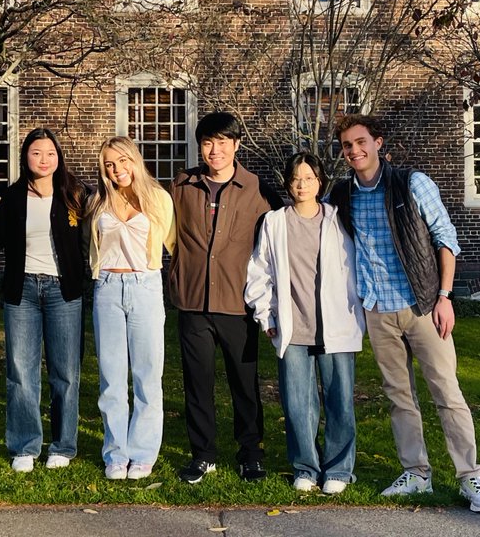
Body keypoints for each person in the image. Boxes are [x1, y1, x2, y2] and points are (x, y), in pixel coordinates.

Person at [329, 114, 480, 514]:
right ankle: (416, 473)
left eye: (361, 142)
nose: (355, 151)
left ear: (378, 143)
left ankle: (470, 475)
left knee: (447, 391)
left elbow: (445, 237)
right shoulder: (342, 194)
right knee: (399, 396)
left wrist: (444, 296)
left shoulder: (411, 183)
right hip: (377, 311)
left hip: (422, 305)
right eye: (347, 146)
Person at [169, 111, 282, 485]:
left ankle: (251, 453)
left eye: (222, 142)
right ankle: (203, 454)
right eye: (207, 142)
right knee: (197, 383)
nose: (214, 150)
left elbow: (283, 235)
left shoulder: (258, 189)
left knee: (244, 383)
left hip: (238, 303)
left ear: (236, 144)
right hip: (193, 301)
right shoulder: (182, 184)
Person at [244, 152, 364, 494]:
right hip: (293, 327)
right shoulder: (275, 222)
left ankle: (339, 470)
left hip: (336, 324)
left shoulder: (338, 219)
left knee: (340, 400)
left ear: (320, 181)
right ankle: (305, 467)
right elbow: (259, 271)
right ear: (287, 183)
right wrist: (265, 313)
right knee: (298, 402)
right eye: (296, 179)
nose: (302, 185)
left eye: (309, 178)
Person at [0, 128, 90, 473]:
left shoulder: (75, 194)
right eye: (36, 153)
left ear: (58, 157)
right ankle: (25, 445)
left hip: (64, 292)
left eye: (49, 153)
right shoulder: (14, 196)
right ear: (25, 157)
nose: (43, 160)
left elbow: (89, 242)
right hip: (23, 292)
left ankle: (63, 445)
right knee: (21, 371)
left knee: (66, 373)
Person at [89, 136, 175, 481]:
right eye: (109, 164)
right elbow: (90, 246)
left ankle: (141, 454)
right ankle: (115, 453)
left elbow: (174, 244)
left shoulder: (158, 200)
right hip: (107, 288)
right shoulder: (98, 202)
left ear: (134, 160)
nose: (116, 169)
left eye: (122, 161)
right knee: (111, 378)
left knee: (147, 375)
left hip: (145, 287)